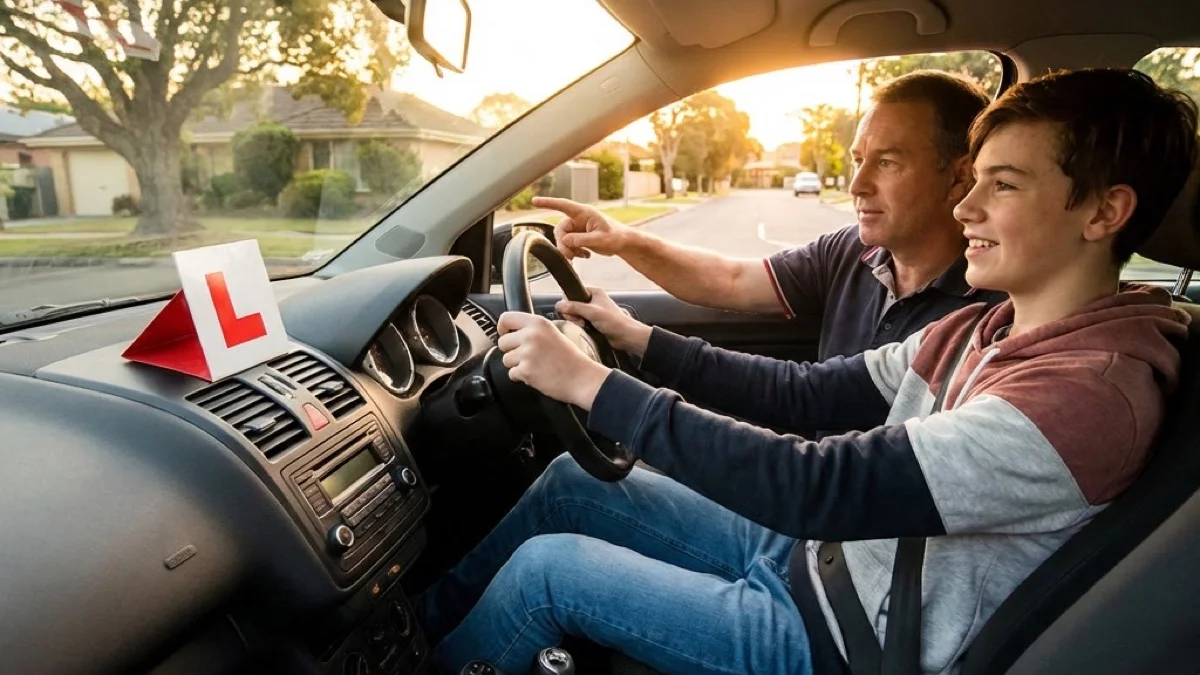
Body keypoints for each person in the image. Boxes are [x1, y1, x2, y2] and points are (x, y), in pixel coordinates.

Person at [419, 68, 1197, 675]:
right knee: (571, 483)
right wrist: (637, 340)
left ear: (1104, 212)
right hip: (822, 557)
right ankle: (412, 633)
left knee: (549, 573)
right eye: (976, 179)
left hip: (845, 640)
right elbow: (805, 393)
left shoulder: (1084, 396)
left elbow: (818, 482)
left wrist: (594, 385)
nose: (967, 207)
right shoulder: (983, 327)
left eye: (1005, 185)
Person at [535, 70, 1007, 365]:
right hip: (804, 476)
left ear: (959, 177)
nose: (857, 185)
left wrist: (616, 375)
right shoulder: (850, 251)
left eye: (886, 163)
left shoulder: (1000, 307)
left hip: (826, 492)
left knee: (567, 485)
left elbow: (805, 403)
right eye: (858, 160)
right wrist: (623, 239)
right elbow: (731, 280)